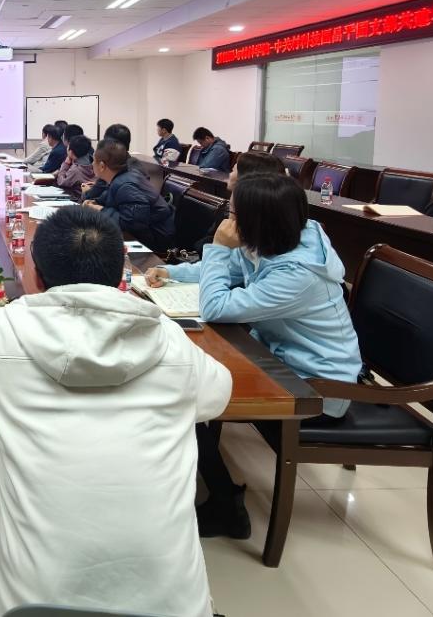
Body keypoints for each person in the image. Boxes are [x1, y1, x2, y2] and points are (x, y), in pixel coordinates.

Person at [0, 206, 230, 617]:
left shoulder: (2, 329)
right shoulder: (168, 338)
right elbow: (217, 396)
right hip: (170, 606)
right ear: (121, 278)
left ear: (37, 278)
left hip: (24, 605)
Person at [147, 173, 362, 538]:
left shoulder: (298, 275)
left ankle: (225, 506)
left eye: (233, 215)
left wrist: (218, 247)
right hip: (279, 359)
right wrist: (173, 272)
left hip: (318, 387)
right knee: (187, 375)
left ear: (259, 221)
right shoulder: (282, 238)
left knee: (186, 392)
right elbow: (233, 267)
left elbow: (215, 307)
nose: (228, 222)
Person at [83, 139, 174, 250]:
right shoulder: (122, 177)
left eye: (94, 161)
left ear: (102, 166)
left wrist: (100, 209)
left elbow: (133, 224)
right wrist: (96, 202)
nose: (92, 164)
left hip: (156, 240)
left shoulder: (126, 185)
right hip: (147, 234)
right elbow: (111, 198)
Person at [191, 150, 288, 248]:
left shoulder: (257, 226)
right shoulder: (228, 209)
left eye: (233, 171)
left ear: (246, 178)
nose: (229, 174)